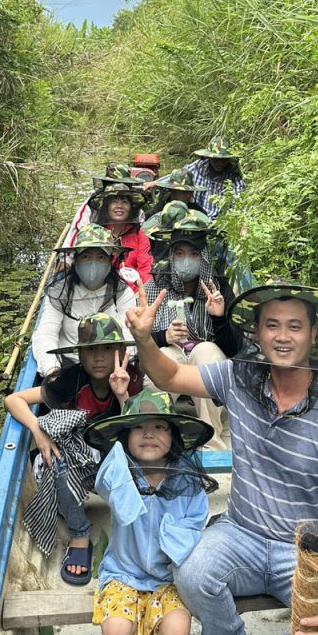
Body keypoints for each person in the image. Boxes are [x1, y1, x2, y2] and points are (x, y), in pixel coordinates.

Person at [126, 280, 318, 635]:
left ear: (313, 334)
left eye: (295, 326)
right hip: (240, 533)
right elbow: (171, 377)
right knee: (191, 573)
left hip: (305, 555)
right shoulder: (237, 379)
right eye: (272, 325)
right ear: (257, 332)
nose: (283, 336)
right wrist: (145, 340)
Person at [5, 312, 142, 583]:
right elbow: (14, 400)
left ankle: (137, 526)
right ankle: (79, 533)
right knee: (55, 454)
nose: (100, 357)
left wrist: (122, 394)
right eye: (91, 350)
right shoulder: (70, 380)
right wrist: (37, 429)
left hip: (114, 456)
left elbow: (138, 426)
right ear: (80, 354)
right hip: (76, 461)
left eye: (107, 349)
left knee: (150, 446)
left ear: (120, 351)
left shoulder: (131, 376)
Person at [84, 388, 216, 635]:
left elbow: (194, 526)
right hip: (124, 573)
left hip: (170, 578)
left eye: (159, 426)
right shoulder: (119, 475)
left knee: (177, 632)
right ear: (125, 438)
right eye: (138, 428)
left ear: (175, 437)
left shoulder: (188, 483)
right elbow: (104, 482)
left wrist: (170, 533)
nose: (148, 434)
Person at [145, 212, 240, 450]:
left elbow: (235, 349)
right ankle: (156, 442)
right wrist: (162, 336)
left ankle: (211, 444)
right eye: (179, 253)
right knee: (164, 356)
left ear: (204, 257)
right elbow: (139, 343)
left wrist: (218, 318)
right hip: (169, 356)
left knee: (208, 352)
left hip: (204, 357)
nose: (186, 260)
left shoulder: (219, 289)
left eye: (194, 254)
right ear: (170, 256)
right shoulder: (152, 288)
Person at [32, 225, 137, 380]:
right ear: (76, 260)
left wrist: (120, 368)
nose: (93, 264)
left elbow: (129, 337)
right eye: (86, 257)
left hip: (110, 367)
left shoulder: (122, 292)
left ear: (110, 261)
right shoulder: (60, 292)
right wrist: (52, 370)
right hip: (69, 364)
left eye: (101, 257)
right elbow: (46, 333)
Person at [92, 181, 153, 283]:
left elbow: (145, 266)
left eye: (124, 201)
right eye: (114, 201)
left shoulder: (139, 234)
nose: (119, 206)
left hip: (135, 291)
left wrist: (142, 291)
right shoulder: (95, 233)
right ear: (107, 206)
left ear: (131, 207)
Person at [184, 136, 245, 220]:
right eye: (216, 159)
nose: (219, 163)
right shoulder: (198, 167)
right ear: (209, 157)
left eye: (223, 160)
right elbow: (173, 179)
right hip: (194, 218)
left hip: (219, 223)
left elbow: (239, 202)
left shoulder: (234, 176)